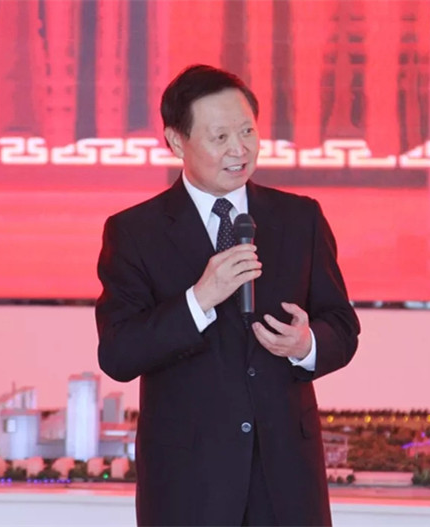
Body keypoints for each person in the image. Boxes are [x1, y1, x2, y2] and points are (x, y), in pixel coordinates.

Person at [95, 64, 360, 526]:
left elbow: (342, 325)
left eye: (247, 132)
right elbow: (118, 353)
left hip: (286, 483)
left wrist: (307, 345)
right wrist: (199, 300)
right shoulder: (135, 232)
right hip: (188, 487)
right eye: (220, 137)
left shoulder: (300, 219)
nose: (239, 149)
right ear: (177, 141)